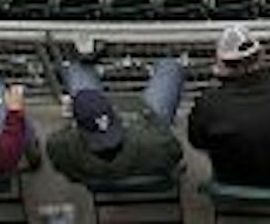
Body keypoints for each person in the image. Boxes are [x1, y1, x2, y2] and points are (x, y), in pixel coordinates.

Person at [188, 25, 270, 189]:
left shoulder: (208, 102)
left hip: (231, 180)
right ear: (260, 56)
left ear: (222, 65)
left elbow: (197, 141)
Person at [46, 57, 186, 183]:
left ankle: (86, 58)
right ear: (112, 110)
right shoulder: (158, 144)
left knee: (77, 68)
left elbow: (64, 169)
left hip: (97, 180)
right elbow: (176, 154)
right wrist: (150, 120)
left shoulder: (60, 147)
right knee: (170, 67)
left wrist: (70, 127)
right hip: (146, 143)